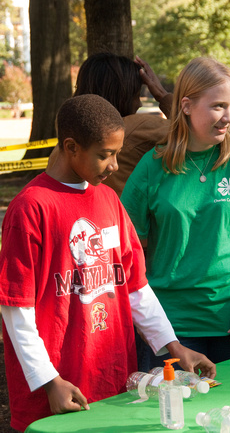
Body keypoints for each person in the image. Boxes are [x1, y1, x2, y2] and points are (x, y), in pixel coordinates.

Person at [0, 94, 216, 432]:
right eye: (105, 155)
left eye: (117, 153)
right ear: (71, 147)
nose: (115, 165)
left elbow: (135, 285)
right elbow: (16, 309)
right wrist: (48, 380)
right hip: (57, 388)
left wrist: (173, 347)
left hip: (111, 376)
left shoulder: (109, 199)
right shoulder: (30, 209)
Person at [121, 56, 230, 370]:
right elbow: (130, 252)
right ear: (186, 105)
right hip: (171, 328)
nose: (228, 117)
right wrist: (149, 320)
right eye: (218, 106)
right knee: (167, 418)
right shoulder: (151, 168)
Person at [72, 51, 172, 197]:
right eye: (136, 94)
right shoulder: (137, 127)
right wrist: (163, 95)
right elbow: (194, 134)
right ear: (124, 95)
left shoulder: (68, 140)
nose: (139, 103)